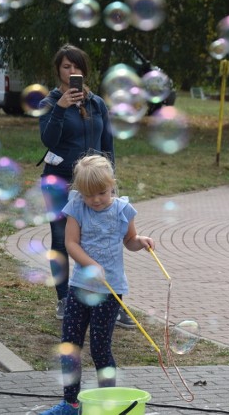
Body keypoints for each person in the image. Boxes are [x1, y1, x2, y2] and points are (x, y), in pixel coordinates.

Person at [41, 155, 155, 415]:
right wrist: (90, 264)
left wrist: (142, 241)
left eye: (102, 192)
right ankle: (70, 404)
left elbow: (130, 240)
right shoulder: (77, 207)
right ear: (80, 192)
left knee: (101, 348)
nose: (95, 200)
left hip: (110, 291)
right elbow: (71, 244)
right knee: (70, 344)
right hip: (80, 287)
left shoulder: (123, 210)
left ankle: (107, 403)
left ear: (112, 185)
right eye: (89, 194)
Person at [38, 44, 132, 328]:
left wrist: (109, 181)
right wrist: (61, 107)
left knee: (104, 238)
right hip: (60, 180)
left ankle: (111, 301)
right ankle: (64, 298)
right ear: (58, 71)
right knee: (61, 240)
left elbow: (108, 145)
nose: (72, 72)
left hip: (93, 182)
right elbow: (48, 140)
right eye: (66, 67)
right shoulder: (50, 103)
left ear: (84, 71)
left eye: (77, 67)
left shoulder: (97, 104)